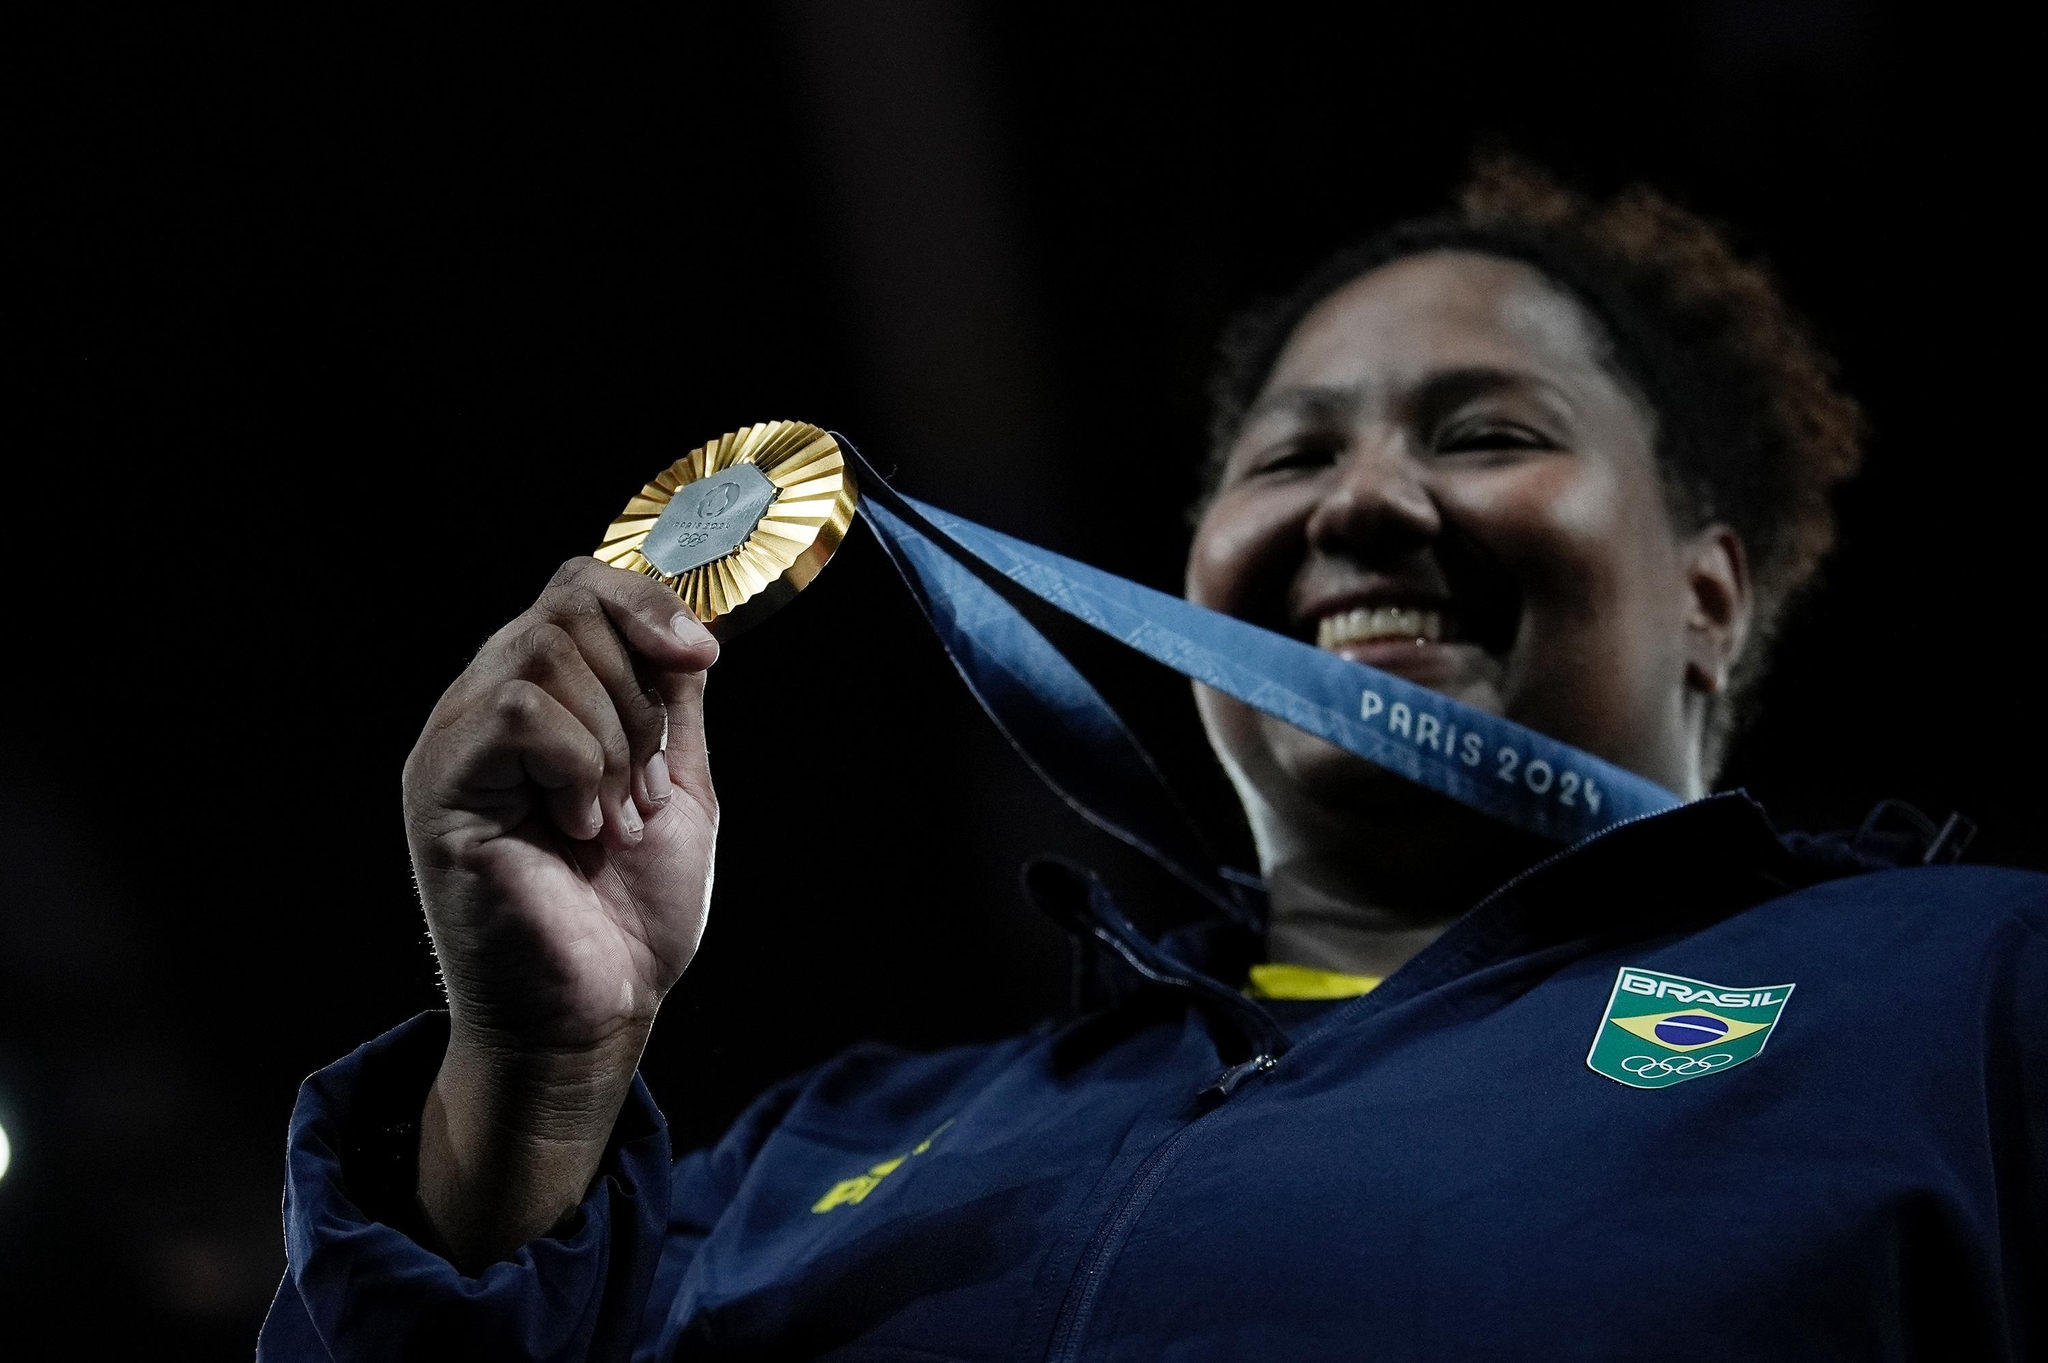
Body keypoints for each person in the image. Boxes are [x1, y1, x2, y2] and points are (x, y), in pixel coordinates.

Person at [258, 162, 2044, 1360]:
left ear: (1712, 592)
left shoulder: (1969, 997)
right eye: (1287, 460)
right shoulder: (825, 1142)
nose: (1362, 501)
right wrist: (540, 1067)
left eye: (1485, 430)